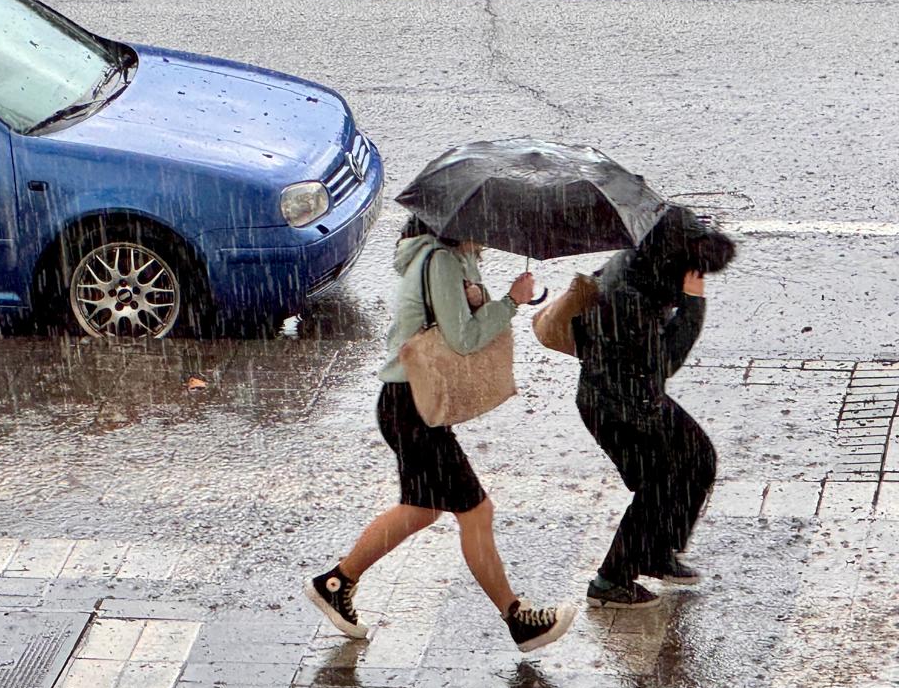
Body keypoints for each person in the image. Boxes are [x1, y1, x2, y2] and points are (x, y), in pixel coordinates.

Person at [305, 216, 578, 653]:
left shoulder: (450, 258)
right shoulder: (441, 262)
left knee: (420, 510)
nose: (492, 229)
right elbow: (465, 338)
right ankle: (518, 618)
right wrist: (509, 300)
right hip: (414, 408)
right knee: (477, 512)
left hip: (409, 403)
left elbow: (457, 320)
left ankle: (336, 583)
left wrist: (488, 296)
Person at [574, 206, 736, 609]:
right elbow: (663, 364)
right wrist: (692, 305)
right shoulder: (633, 296)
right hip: (617, 404)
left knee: (697, 458)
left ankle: (658, 551)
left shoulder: (642, 263)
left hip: (631, 393)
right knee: (657, 487)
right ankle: (611, 580)